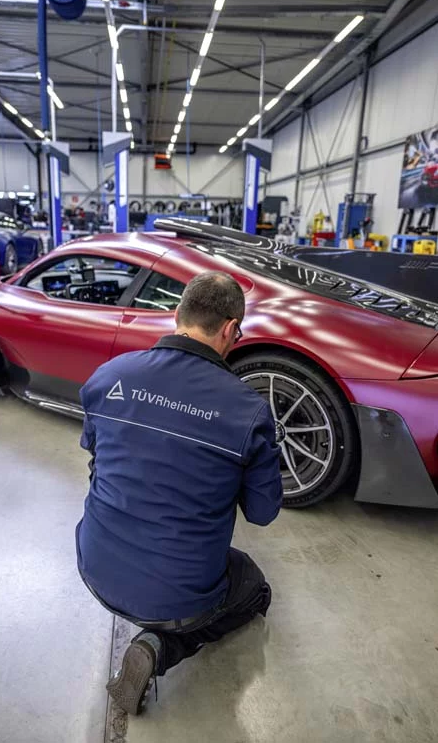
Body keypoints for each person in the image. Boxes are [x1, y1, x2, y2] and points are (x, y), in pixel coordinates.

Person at [76, 272, 283, 716]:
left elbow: (94, 459)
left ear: (177, 315)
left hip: (92, 566)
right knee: (254, 586)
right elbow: (264, 513)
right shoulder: (247, 410)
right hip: (177, 597)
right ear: (230, 330)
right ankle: (160, 646)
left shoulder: (110, 375)